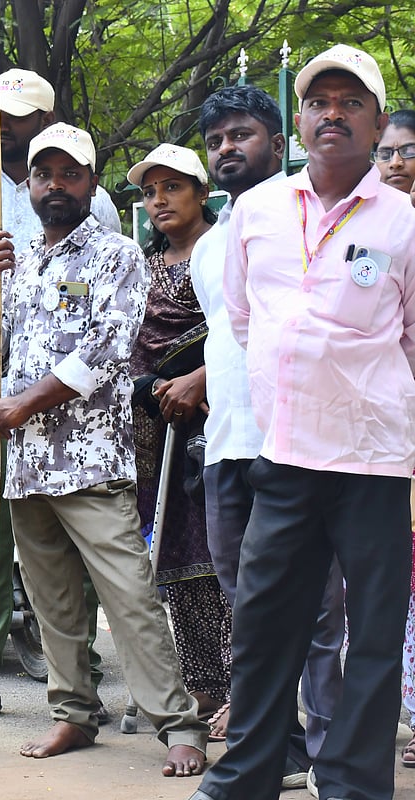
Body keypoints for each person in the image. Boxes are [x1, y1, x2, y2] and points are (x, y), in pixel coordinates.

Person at [189, 45, 415, 800]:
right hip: (282, 452)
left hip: (373, 459)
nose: (333, 113)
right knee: (263, 623)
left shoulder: (404, 220)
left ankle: (353, 785)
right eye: (320, 101)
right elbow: (247, 320)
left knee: (372, 635)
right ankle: (247, 774)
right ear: (301, 120)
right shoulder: (256, 211)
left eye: (352, 102)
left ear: (376, 123)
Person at [0, 122, 207, 777]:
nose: (54, 185)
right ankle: (73, 713)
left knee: (130, 596)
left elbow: (107, 350)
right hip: (27, 464)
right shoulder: (18, 257)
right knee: (53, 604)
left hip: (92, 459)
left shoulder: (117, 254)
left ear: (90, 182)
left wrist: (24, 404)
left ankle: (178, 723)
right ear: (30, 185)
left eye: (68, 173)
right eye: (43, 175)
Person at [0, 68, 121, 723]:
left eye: (18, 114)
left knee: (68, 539)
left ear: (46, 119)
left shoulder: (91, 200)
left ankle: (81, 675)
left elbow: (102, 311)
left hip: (60, 401)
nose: (3, 124)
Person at [189, 85, 345, 788]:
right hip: (227, 444)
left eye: (242, 134)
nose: (228, 148)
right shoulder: (210, 243)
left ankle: (335, 754)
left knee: (316, 607)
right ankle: (277, 751)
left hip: (300, 440)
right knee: (248, 610)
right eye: (217, 139)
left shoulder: (313, 218)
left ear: (278, 143)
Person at [124, 144, 232, 722]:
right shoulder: (141, 265)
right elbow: (129, 344)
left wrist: (199, 380)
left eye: (172, 188)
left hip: (221, 421)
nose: (158, 201)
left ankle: (246, 690)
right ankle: (205, 687)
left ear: (201, 190)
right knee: (177, 558)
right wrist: (151, 388)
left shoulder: (226, 250)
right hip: (156, 427)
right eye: (148, 192)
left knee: (228, 557)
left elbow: (240, 327)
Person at [378, 109, 415, 770]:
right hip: (383, 432)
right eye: (386, 153)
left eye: (409, 150)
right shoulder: (370, 230)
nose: (398, 163)